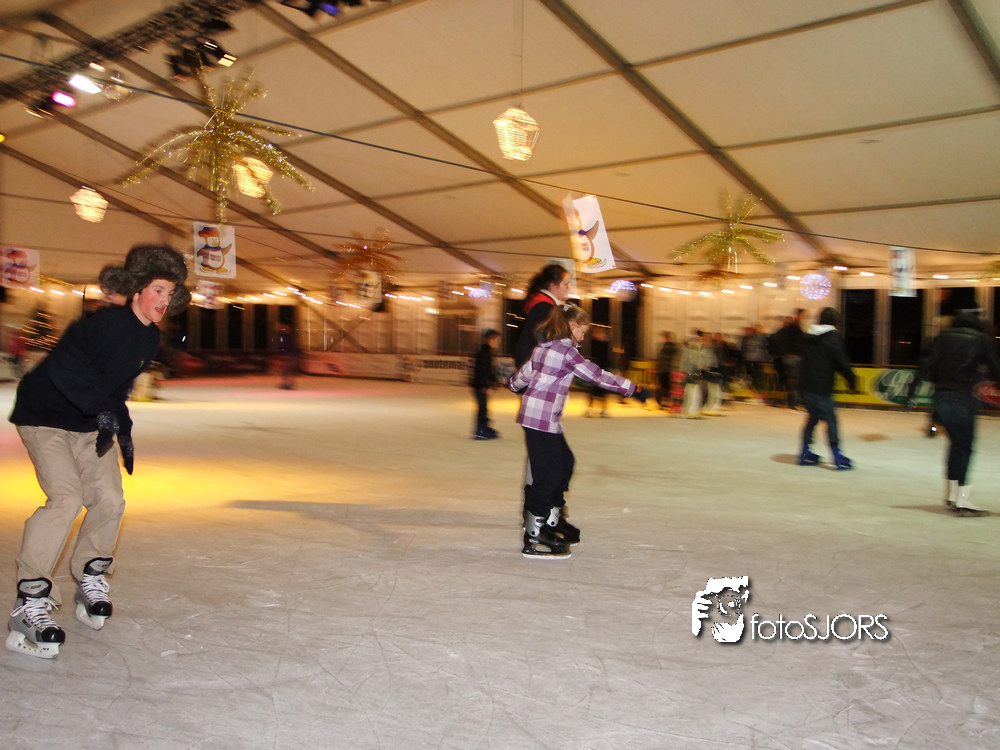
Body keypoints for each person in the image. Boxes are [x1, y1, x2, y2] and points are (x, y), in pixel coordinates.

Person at [6, 244, 190, 659]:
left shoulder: (149, 337)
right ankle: (30, 599)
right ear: (137, 290)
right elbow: (63, 368)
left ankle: (90, 576)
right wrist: (99, 408)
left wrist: (122, 428)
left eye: (169, 293)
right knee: (66, 498)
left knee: (110, 498)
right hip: (45, 416)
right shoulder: (105, 323)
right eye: (157, 290)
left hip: (89, 422)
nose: (163, 300)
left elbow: (116, 388)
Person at [509, 303, 645, 558]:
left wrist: (513, 384)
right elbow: (597, 376)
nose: (582, 338)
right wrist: (633, 389)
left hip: (542, 418)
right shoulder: (566, 353)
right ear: (572, 326)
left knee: (565, 463)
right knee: (548, 475)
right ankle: (535, 532)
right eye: (582, 332)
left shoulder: (542, 347)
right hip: (541, 419)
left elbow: (525, 373)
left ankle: (552, 519)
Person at [908, 290, 1000, 515]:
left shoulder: (942, 337)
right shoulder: (981, 339)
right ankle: (963, 499)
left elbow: (926, 366)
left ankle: (951, 494)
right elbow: (996, 369)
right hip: (962, 398)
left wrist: (911, 392)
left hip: (940, 398)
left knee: (955, 444)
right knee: (965, 447)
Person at [798, 307, 857, 470]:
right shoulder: (833, 340)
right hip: (822, 387)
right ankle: (837, 455)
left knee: (812, 417)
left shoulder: (808, 337)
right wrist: (852, 380)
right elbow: (842, 363)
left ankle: (804, 452)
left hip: (805, 386)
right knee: (830, 419)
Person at [470, 328, 502, 439]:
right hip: (479, 385)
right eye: (497, 340)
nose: (499, 343)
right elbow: (481, 370)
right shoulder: (483, 353)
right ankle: (480, 429)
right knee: (482, 407)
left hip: (480, 384)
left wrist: (495, 381)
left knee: (484, 406)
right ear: (490, 340)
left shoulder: (487, 352)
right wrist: (485, 386)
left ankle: (484, 426)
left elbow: (489, 370)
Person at [585, 325, 613, 417]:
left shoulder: (605, 344)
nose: (595, 335)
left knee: (603, 390)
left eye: (597, 334)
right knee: (594, 390)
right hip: (596, 370)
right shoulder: (595, 344)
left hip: (603, 370)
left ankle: (603, 410)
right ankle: (590, 409)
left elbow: (607, 358)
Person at [654, 330, 677, 408]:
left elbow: (663, 359)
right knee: (668, 386)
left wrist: (659, 367)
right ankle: (667, 401)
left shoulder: (667, 346)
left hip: (665, 370)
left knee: (664, 386)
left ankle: (665, 401)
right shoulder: (674, 346)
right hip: (669, 369)